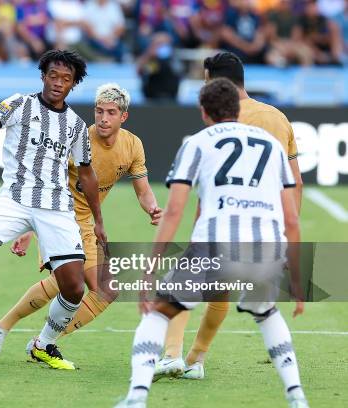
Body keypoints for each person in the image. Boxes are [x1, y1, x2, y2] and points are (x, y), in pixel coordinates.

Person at [116, 78, 308, 408]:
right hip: (265, 245)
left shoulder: (198, 142)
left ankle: (136, 397)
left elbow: (174, 210)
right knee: (267, 313)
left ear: (204, 112)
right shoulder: (271, 145)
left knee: (157, 314)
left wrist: (150, 269)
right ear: (237, 108)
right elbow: (291, 217)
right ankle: (297, 397)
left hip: (214, 244)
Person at [0, 50, 106, 370]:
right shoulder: (19, 103)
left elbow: (86, 174)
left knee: (74, 288)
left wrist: (99, 222)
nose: (59, 83)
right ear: (43, 76)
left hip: (57, 209)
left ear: (73, 84)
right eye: (53, 76)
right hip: (13, 201)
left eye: (66, 79)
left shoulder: (75, 124)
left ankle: (44, 344)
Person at [0, 83, 162, 358]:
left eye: (111, 112)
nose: (103, 118)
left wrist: (152, 208)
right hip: (55, 216)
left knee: (106, 291)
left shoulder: (133, 145)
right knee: (67, 280)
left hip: (86, 223)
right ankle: (1, 328)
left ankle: (43, 342)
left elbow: (143, 189)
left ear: (123, 116)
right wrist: (30, 228)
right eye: (99, 111)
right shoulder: (78, 137)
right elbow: (42, 178)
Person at [155, 51, 304, 381]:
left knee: (186, 282)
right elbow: (296, 182)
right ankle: (195, 360)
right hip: (267, 228)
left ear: (214, 81)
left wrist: (197, 224)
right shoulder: (278, 118)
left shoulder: (225, 117)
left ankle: (172, 355)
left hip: (224, 218)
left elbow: (214, 181)